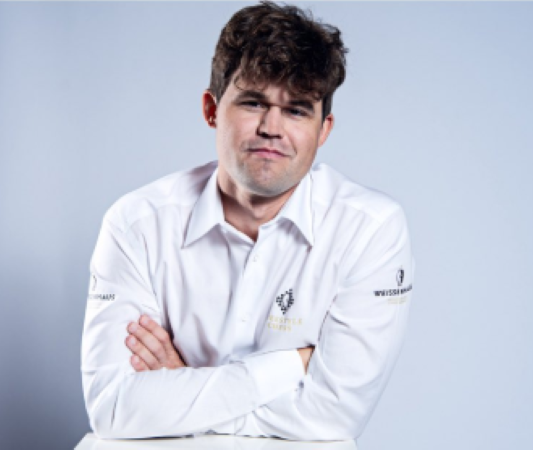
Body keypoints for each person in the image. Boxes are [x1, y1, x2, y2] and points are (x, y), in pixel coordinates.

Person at [81, 1, 414, 441]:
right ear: (211, 109)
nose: (272, 128)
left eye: (297, 110)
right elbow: (112, 407)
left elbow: (333, 416)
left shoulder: (369, 230)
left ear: (324, 130)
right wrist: (290, 366)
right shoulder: (136, 225)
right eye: (254, 102)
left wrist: (181, 387)